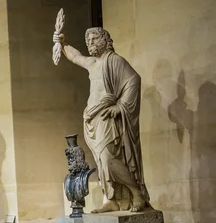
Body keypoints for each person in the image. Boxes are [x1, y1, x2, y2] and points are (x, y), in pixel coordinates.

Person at [54, 28, 150, 212]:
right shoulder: (93, 63)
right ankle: (111, 199)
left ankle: (136, 193)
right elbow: (75, 57)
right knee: (100, 161)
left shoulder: (115, 61)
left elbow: (134, 80)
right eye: (88, 39)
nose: (90, 42)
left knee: (108, 158)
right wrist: (63, 43)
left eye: (94, 38)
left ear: (105, 40)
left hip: (107, 115)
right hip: (92, 118)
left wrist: (120, 106)